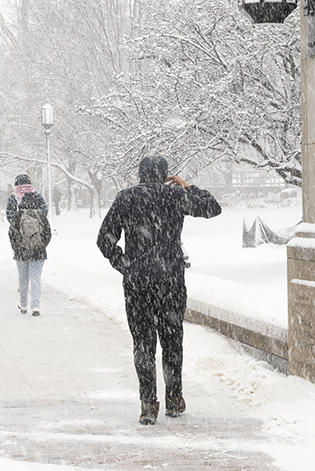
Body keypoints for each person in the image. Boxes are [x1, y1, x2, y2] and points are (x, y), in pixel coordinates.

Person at [96, 155, 221, 426]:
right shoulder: (175, 196)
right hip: (171, 281)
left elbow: (104, 239)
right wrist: (187, 187)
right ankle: (174, 398)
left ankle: (148, 403)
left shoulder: (126, 198)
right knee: (172, 340)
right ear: (164, 174)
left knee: (143, 344)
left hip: (137, 283)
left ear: (140, 174)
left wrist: (125, 265)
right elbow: (213, 208)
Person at [8, 188, 51, 316]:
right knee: (36, 278)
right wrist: (41, 245)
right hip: (38, 253)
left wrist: (17, 247)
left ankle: (23, 304)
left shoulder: (18, 215)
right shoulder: (41, 216)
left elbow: (11, 234)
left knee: (23, 278)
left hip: (21, 253)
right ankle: (36, 306)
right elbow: (47, 234)